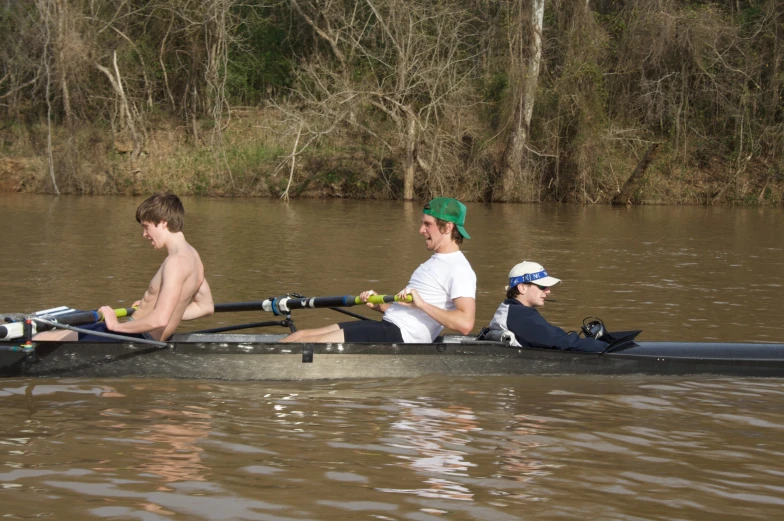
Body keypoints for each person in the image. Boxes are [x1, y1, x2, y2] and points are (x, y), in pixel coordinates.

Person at [281, 197, 476, 344]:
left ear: (448, 227)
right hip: (388, 325)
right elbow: (411, 312)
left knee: (309, 344)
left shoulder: (459, 269)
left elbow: (465, 324)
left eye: (428, 224)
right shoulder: (433, 262)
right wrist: (380, 306)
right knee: (301, 335)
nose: (421, 230)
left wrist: (422, 304)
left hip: (401, 336)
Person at [34, 193, 214, 342]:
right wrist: (154, 308)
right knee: (54, 335)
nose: (144, 234)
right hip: (139, 334)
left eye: (146, 227)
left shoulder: (175, 262)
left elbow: (160, 319)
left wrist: (116, 325)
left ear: (163, 222)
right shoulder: (194, 257)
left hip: (134, 337)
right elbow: (205, 307)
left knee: (43, 338)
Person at [485, 261, 607, 352]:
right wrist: (608, 348)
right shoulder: (521, 315)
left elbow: (554, 337)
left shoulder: (511, 308)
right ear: (522, 288)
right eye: (542, 286)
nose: (548, 291)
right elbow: (561, 342)